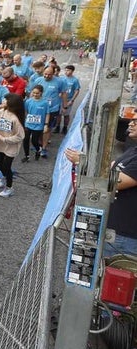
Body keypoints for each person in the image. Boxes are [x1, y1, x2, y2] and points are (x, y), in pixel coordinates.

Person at [65, 120, 137, 256]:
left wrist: (83, 162)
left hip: (124, 237)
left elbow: (114, 182)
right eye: (132, 120)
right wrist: (87, 159)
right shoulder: (133, 150)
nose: (130, 124)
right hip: (113, 230)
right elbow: (109, 167)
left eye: (136, 121)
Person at [0, 94, 26, 197]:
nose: (3, 101)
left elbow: (20, 136)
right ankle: (5, 176)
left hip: (11, 146)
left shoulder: (15, 119)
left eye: (5, 100)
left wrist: (4, 139)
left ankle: (9, 188)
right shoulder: (1, 112)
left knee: (7, 166)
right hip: (0, 144)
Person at [22, 85, 50, 162]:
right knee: (25, 140)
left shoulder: (45, 103)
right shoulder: (28, 101)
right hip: (28, 124)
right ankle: (27, 155)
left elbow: (47, 113)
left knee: (34, 141)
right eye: (33, 93)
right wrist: (25, 120)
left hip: (38, 126)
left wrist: (46, 125)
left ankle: (38, 149)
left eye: (37, 93)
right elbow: (26, 111)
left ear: (41, 93)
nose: (35, 94)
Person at [59, 65, 81, 134]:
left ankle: (65, 127)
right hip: (60, 99)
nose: (66, 72)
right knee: (58, 114)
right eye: (65, 70)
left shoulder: (75, 80)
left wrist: (72, 100)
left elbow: (77, 90)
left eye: (68, 70)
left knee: (66, 114)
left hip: (68, 100)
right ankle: (57, 126)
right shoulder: (62, 78)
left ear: (72, 71)